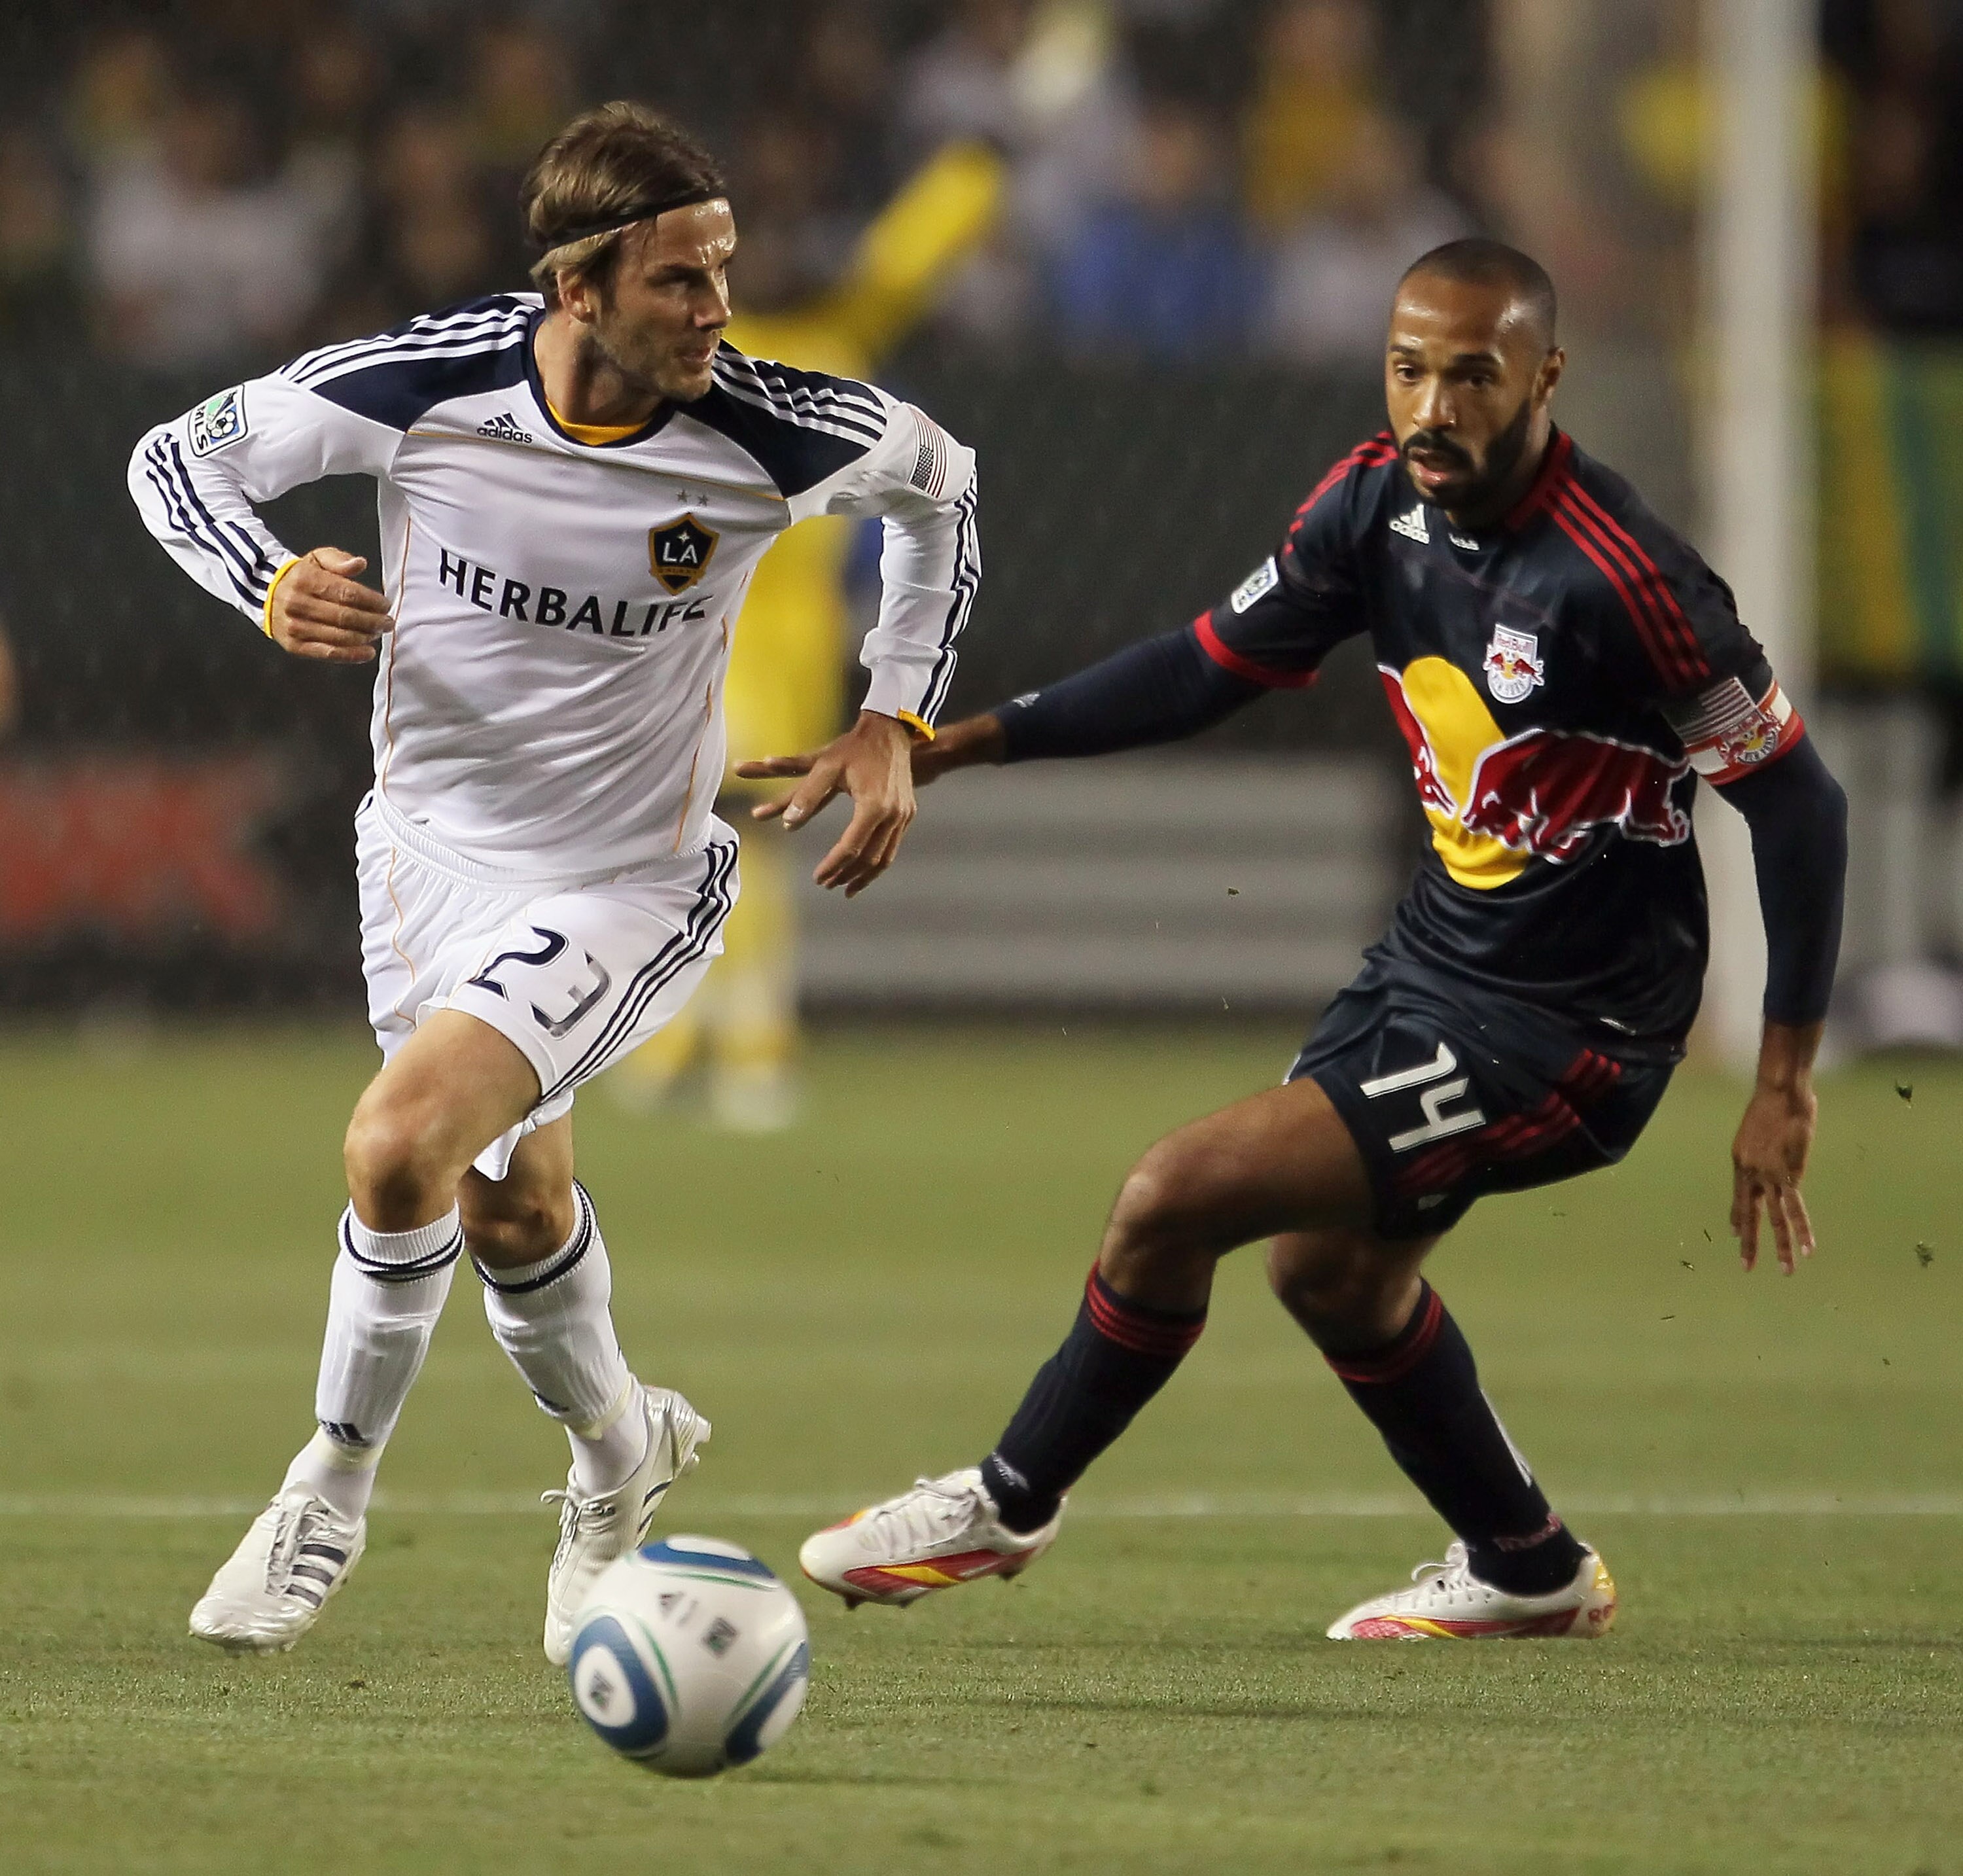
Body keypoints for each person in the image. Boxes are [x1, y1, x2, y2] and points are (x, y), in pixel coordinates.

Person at [777, 239, 1847, 1639]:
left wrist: (1782, 1079)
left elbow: (1798, 803)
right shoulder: (1371, 507)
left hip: (1576, 1031)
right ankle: (1529, 1570)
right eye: (1410, 369)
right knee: (1329, 1271)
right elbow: (1202, 669)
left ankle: (1006, 1502)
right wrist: (950, 742)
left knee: (1173, 1193)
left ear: (1545, 377)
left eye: (1475, 375)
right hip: (1433, 964)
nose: (1434, 406)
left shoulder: (1626, 580)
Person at [125, 101, 979, 1659]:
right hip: (427, 858)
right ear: (577, 288)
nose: (718, 309)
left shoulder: (775, 429)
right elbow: (173, 459)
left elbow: (947, 490)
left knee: (397, 1153)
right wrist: (266, 580)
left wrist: (894, 714)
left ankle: (329, 1483)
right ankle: (616, 1457)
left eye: (724, 271)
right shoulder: (423, 384)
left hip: (627, 877)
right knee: (515, 1209)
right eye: (680, 282)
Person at [610, 133, 1003, 1128]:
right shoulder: (770, 351)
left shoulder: (783, 349)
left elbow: (905, 264)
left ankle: (734, 1050)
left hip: (760, 630)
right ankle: (694, 1045)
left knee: (727, 832)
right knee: (703, 836)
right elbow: (901, 268)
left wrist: (972, 171)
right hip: (699, 624)